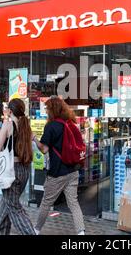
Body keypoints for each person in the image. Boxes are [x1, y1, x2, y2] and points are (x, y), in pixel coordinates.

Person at [33, 96, 85, 235]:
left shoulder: (51, 126)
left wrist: (34, 139)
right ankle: (81, 233)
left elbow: (44, 149)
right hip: (73, 171)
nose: (46, 111)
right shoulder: (71, 124)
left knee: (46, 202)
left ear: (52, 110)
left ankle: (36, 230)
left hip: (57, 173)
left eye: (47, 108)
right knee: (73, 204)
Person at [0, 98, 36, 235]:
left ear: (10, 111)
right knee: (7, 206)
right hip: (24, 170)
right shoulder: (26, 126)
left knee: (15, 208)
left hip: (11, 171)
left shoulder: (8, 125)